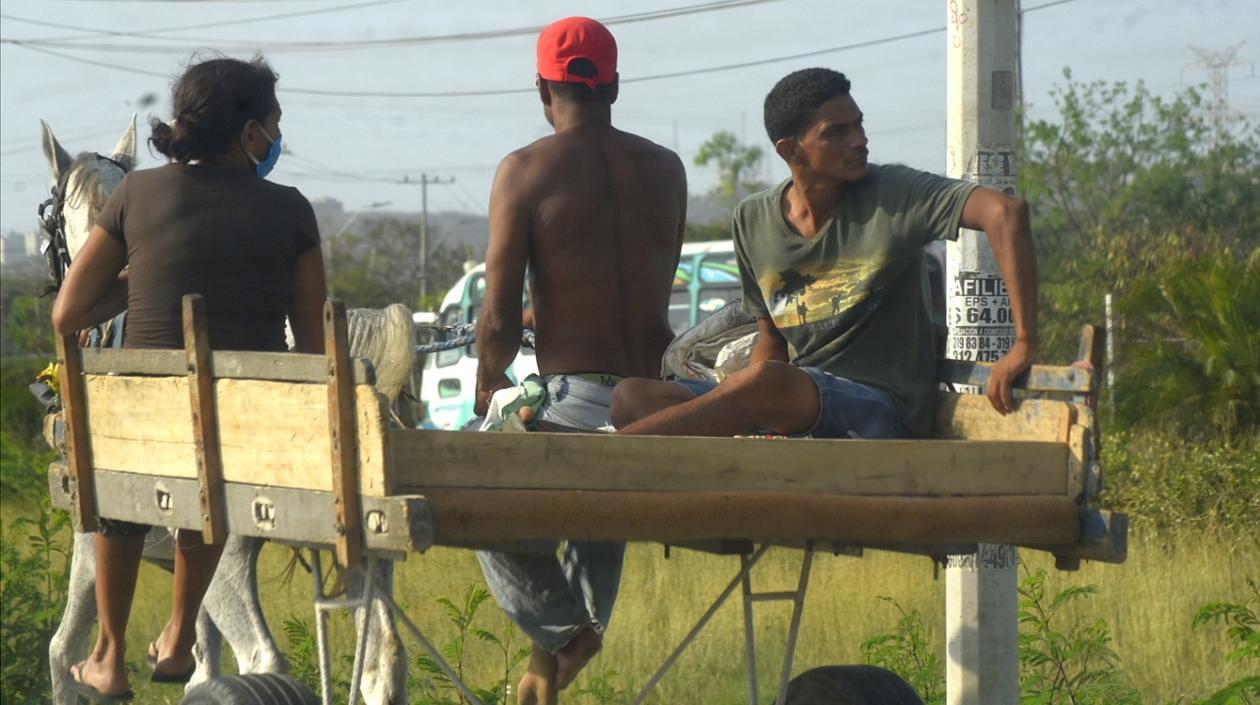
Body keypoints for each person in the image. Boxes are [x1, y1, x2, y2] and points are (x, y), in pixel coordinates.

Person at [52, 56, 326, 701]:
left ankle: (109, 657)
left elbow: (68, 315)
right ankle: (179, 635)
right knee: (215, 460)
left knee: (123, 473)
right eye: (275, 122)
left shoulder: (136, 194)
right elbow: (315, 345)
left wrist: (136, 283)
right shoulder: (291, 209)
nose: (278, 135)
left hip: (147, 424)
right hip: (244, 430)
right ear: (250, 133)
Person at [611, 67, 1038, 439]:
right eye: (838, 132)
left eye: (859, 125)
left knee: (771, 383)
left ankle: (607, 455)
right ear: (790, 150)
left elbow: (1006, 213)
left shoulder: (895, 193)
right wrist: (748, 410)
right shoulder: (753, 219)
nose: (860, 140)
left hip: (880, 408)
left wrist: (1024, 343)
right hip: (794, 399)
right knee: (633, 396)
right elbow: (771, 342)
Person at [472, 16, 686, 705]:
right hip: (650, 402)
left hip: (572, 399)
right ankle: (551, 661)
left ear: (542, 89)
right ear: (614, 87)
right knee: (601, 469)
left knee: (473, 487)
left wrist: (487, 385)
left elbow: (499, 319)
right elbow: (641, 280)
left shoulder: (525, 169)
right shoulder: (667, 169)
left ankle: (566, 633)